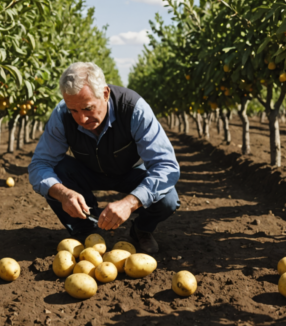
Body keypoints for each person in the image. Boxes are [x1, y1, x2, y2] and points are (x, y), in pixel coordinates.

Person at [28, 62, 180, 253]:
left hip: (131, 172)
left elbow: (166, 166)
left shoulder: (134, 109)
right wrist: (63, 194)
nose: (81, 119)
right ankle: (85, 230)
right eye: (74, 111)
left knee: (168, 198)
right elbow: (39, 164)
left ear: (105, 94)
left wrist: (130, 202)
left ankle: (141, 230)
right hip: (87, 171)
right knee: (56, 173)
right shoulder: (62, 114)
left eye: (88, 108)